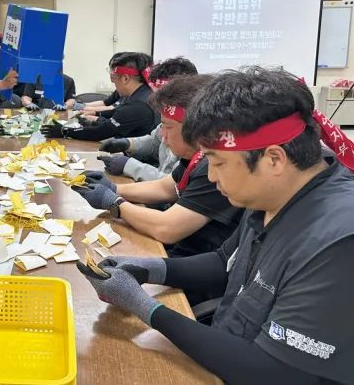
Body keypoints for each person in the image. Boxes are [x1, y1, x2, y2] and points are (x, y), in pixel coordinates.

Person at [78, 67, 354, 384]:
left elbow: (274, 370)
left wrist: (144, 306)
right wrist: (146, 268)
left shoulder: (338, 241)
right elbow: (226, 261)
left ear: (274, 159)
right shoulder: (272, 194)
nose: (210, 175)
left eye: (218, 162)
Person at [72, 75, 243, 258]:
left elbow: (167, 228)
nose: (161, 135)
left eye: (167, 127)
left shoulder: (212, 167)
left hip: (194, 258)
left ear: (194, 128)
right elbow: (165, 187)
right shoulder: (194, 158)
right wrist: (113, 188)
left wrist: (114, 203)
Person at [98, 57, 198, 181]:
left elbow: (172, 184)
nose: (157, 102)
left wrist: (130, 166)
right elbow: (156, 140)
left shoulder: (195, 130)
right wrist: (129, 144)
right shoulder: (169, 116)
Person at [41, 52, 158, 141]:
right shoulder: (144, 93)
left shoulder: (137, 105)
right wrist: (95, 114)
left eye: (113, 78)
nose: (113, 83)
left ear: (125, 78)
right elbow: (117, 112)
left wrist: (64, 130)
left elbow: (100, 132)